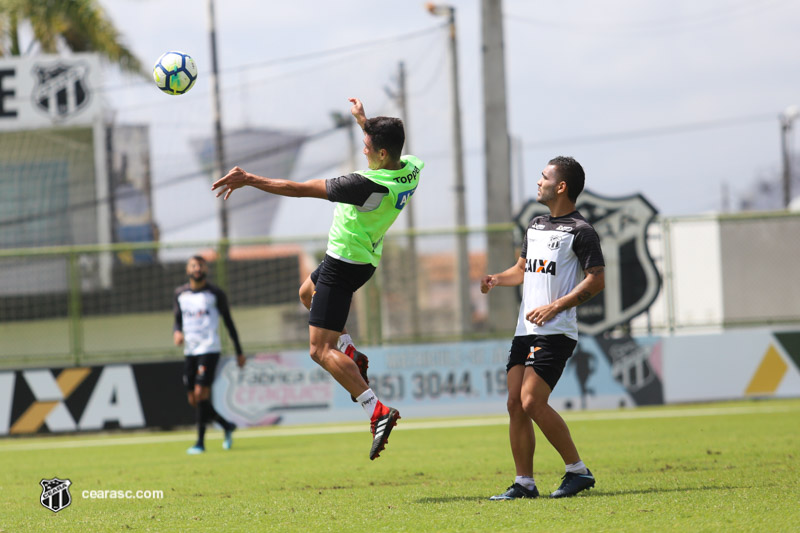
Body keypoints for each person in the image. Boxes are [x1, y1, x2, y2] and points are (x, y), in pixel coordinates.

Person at [211, 97, 423, 460]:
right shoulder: (412, 167)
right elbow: (386, 149)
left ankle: (377, 410)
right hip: (361, 258)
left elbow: (296, 189)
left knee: (318, 350)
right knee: (306, 293)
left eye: (368, 145)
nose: (363, 147)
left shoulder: (364, 185)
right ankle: (350, 351)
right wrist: (364, 121)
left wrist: (249, 179)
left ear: (382, 153)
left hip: (345, 262)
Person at [481, 156, 605, 499]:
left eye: (544, 177)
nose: (539, 182)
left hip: (556, 330)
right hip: (525, 330)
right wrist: (496, 279)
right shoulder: (535, 225)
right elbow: (522, 269)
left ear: (561, 186)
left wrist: (555, 306)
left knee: (532, 401)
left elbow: (596, 281)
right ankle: (524, 483)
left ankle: (577, 471)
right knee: (514, 404)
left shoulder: (581, 231)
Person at [173, 255, 246, 454]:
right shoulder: (180, 294)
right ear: (188, 270)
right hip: (190, 351)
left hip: (209, 348)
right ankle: (226, 425)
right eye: (194, 266)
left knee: (200, 393)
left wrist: (239, 351)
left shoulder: (215, 294)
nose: (197, 269)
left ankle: (200, 442)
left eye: (201, 266)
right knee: (194, 400)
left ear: (206, 269)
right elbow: (177, 319)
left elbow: (229, 323)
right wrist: (177, 332)